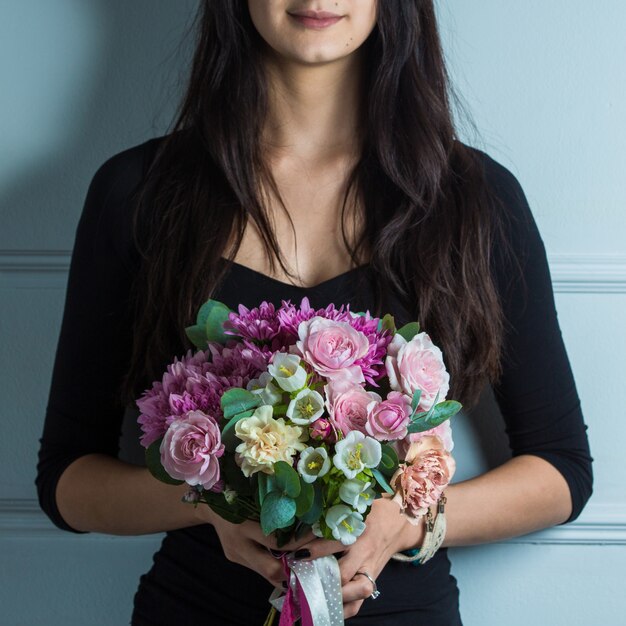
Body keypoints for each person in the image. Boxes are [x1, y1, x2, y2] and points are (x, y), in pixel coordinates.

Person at [36, 1, 593, 624]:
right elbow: (67, 482)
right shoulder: (136, 193)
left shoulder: (475, 200)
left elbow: (561, 470)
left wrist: (407, 520)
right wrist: (206, 502)